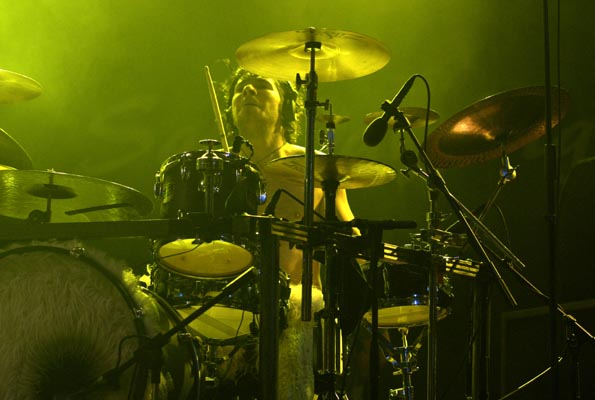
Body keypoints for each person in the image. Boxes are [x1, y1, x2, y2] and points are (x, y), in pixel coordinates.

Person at [220, 67, 364, 399]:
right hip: (226, 305)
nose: (248, 91)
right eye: (241, 87)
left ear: (284, 105)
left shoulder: (316, 167)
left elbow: (353, 244)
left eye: (261, 85)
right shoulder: (219, 172)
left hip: (298, 309)